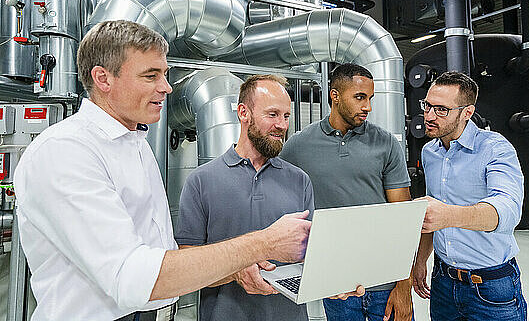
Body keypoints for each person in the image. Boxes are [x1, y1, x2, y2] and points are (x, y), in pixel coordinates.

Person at [13, 20, 311, 321]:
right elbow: (130, 277)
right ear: (103, 78)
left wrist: (239, 269)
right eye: (150, 75)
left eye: (165, 75)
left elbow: (170, 261)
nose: (166, 87)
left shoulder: (135, 144)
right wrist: (264, 243)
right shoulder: (66, 151)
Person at [280, 63, 413, 321]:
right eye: (360, 97)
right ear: (335, 95)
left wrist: (403, 287)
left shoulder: (385, 143)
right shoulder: (299, 145)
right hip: (337, 288)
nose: (368, 107)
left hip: (385, 284)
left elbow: (403, 220)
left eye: (370, 99)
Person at [175, 74, 315, 321]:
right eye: (272, 115)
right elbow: (185, 269)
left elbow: (311, 255)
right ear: (243, 113)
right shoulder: (200, 181)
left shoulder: (300, 180)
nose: (282, 125)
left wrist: (335, 282)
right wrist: (236, 271)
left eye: (286, 116)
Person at [412, 71, 527, 320]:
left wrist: (449, 215)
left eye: (442, 110)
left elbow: (507, 211)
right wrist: (421, 259)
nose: (429, 116)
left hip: (490, 286)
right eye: (427, 106)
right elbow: (432, 214)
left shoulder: (495, 148)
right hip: (443, 281)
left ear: (467, 112)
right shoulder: (429, 152)